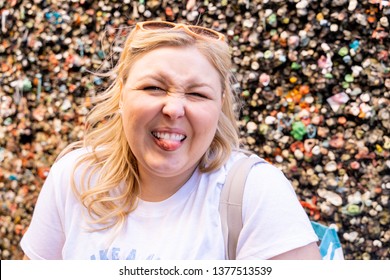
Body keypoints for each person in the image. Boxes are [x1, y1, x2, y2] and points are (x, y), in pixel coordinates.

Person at [20, 21, 321, 260]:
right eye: (153, 87)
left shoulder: (256, 193)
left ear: (220, 105)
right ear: (122, 95)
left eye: (197, 94)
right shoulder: (75, 177)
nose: (174, 109)